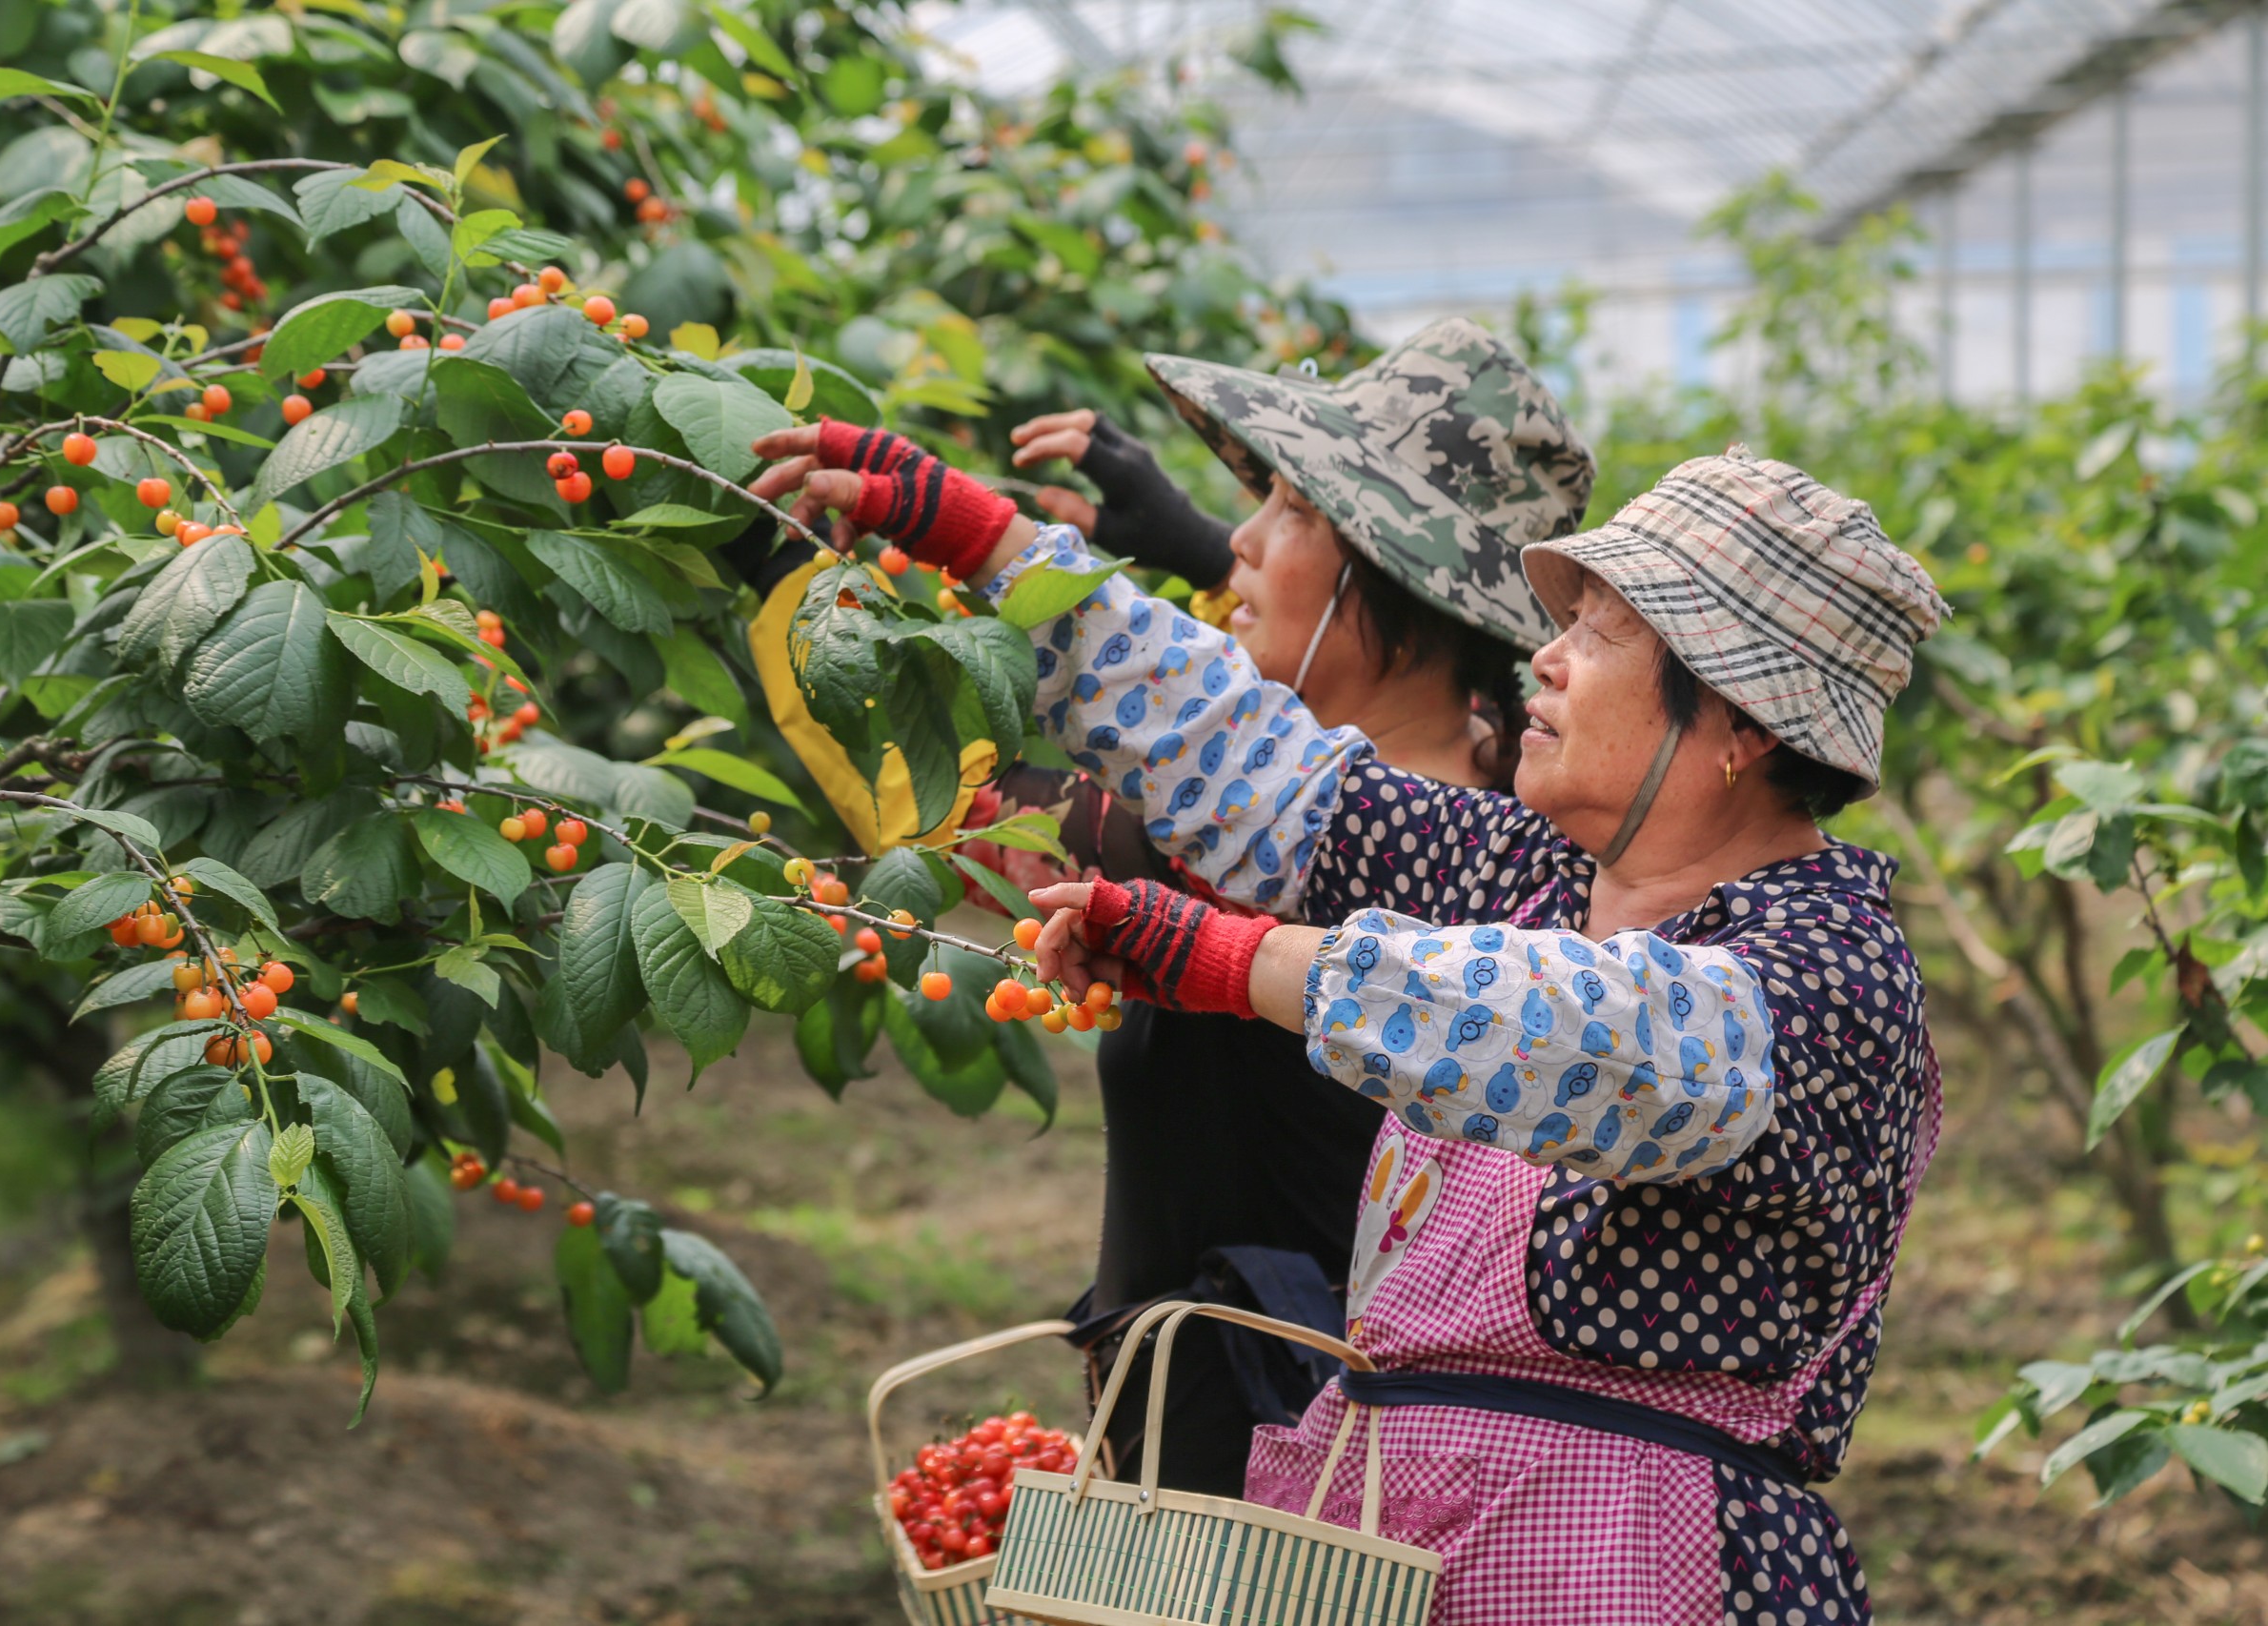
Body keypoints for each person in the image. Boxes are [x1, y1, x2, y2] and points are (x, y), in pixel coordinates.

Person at [751, 427, 1946, 1624]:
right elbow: (1251, 758)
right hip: (1390, 1549)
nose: (1548, 658)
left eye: (1602, 634)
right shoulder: (1526, 871)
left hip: (1634, 1564)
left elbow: (1581, 1034)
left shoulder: (1826, 966)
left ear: (1741, 725)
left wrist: (1235, 959)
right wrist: (980, 534)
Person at [760, 323, 1594, 1497]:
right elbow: (1286, 723)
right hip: (1284, 1454)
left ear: (1391, 580)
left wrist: (791, 597)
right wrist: (1213, 550)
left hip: (1281, 1502)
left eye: (1290, 513)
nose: (1241, 542)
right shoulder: (1513, 827)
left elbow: (952, 809)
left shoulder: (1280, 862)